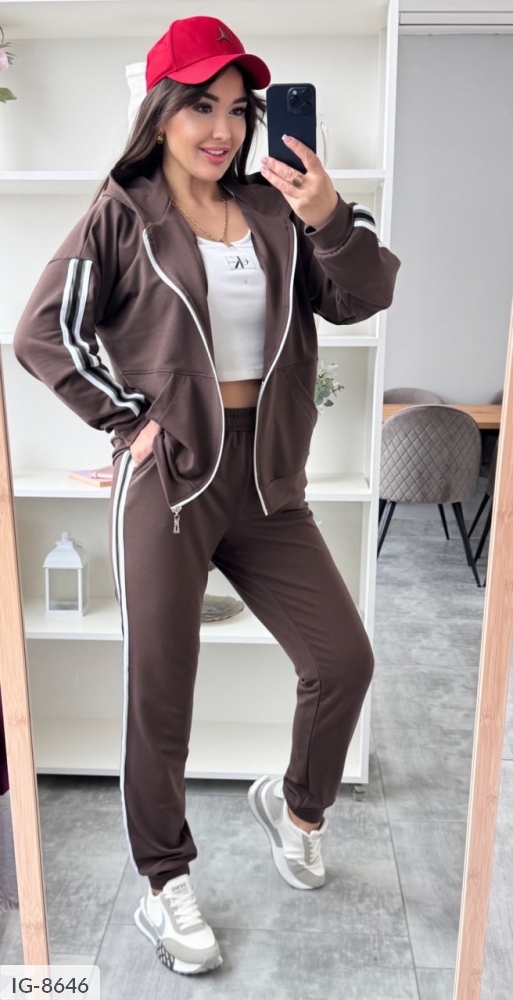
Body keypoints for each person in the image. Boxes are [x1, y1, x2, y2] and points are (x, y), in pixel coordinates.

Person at [13, 15, 401, 978]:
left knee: (342, 660)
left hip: (267, 484)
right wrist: (124, 419)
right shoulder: (122, 212)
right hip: (171, 481)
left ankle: (297, 807)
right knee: (162, 691)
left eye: (237, 108)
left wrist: (328, 215)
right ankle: (163, 882)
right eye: (200, 107)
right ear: (161, 113)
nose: (222, 128)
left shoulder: (276, 208)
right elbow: (43, 333)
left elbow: (362, 296)